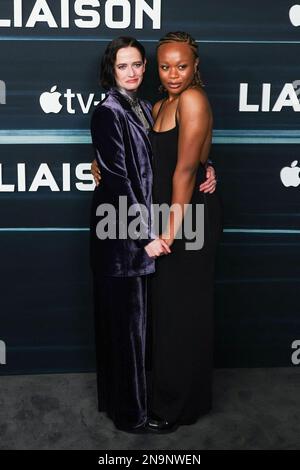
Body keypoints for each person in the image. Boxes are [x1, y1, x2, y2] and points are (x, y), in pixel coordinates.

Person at [90, 35, 217, 433]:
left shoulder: (157, 105)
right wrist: (149, 232)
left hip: (171, 224)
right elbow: (124, 174)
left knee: (171, 317)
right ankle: (141, 407)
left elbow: (181, 161)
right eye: (123, 66)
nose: (133, 72)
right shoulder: (124, 109)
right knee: (146, 322)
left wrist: (205, 168)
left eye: (138, 64)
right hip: (143, 227)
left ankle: (172, 402)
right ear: (111, 70)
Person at [146, 32, 222, 432]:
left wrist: (171, 232)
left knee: (183, 313)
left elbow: (186, 171)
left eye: (182, 65)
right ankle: (168, 396)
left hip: (187, 219)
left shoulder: (192, 100)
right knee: (169, 313)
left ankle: (179, 408)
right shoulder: (161, 103)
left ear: (196, 67)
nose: (173, 74)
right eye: (165, 66)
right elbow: (153, 161)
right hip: (169, 215)